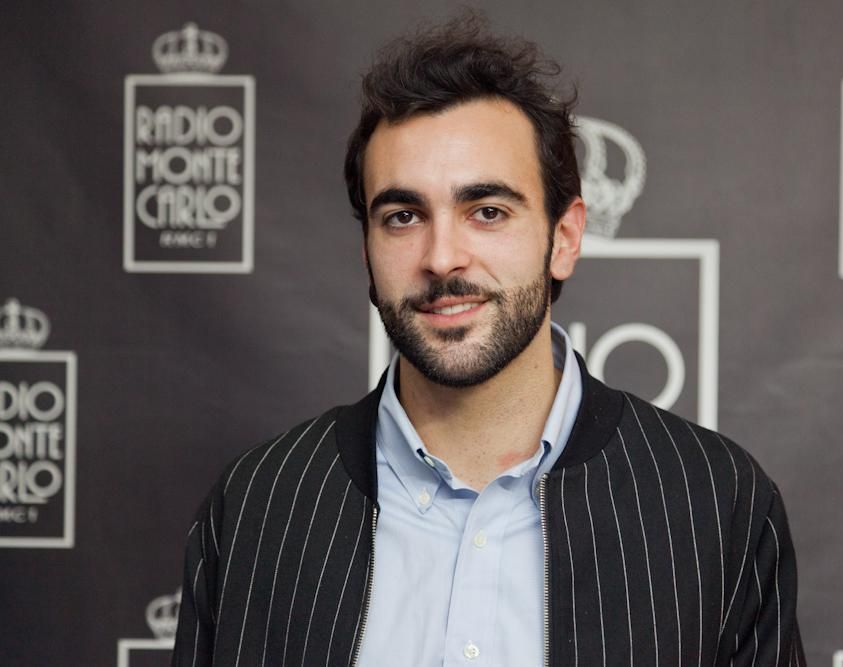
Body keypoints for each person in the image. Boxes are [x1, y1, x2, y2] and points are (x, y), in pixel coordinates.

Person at [173, 14, 806, 667]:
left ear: (564, 238)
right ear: (367, 251)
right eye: (403, 216)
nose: (442, 257)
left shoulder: (716, 503)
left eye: (487, 211)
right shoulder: (255, 507)